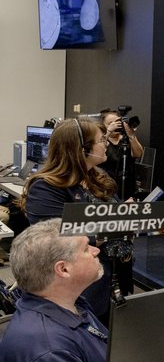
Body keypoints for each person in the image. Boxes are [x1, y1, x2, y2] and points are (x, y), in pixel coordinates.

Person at [0, 218, 107, 362]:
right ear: (63, 269)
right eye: (86, 248)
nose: (96, 251)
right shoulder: (46, 348)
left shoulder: (72, 304)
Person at [19, 118, 122, 323]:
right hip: (72, 287)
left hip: (108, 277)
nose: (106, 144)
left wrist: (125, 215)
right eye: (102, 139)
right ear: (82, 149)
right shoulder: (45, 187)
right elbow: (57, 240)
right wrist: (114, 226)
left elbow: (112, 216)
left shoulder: (97, 177)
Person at [100, 108, 144, 200]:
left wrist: (131, 135)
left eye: (117, 122)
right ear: (103, 125)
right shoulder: (102, 140)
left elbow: (138, 154)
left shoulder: (126, 139)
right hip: (106, 186)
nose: (115, 125)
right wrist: (108, 132)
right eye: (110, 123)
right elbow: (97, 152)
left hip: (128, 185)